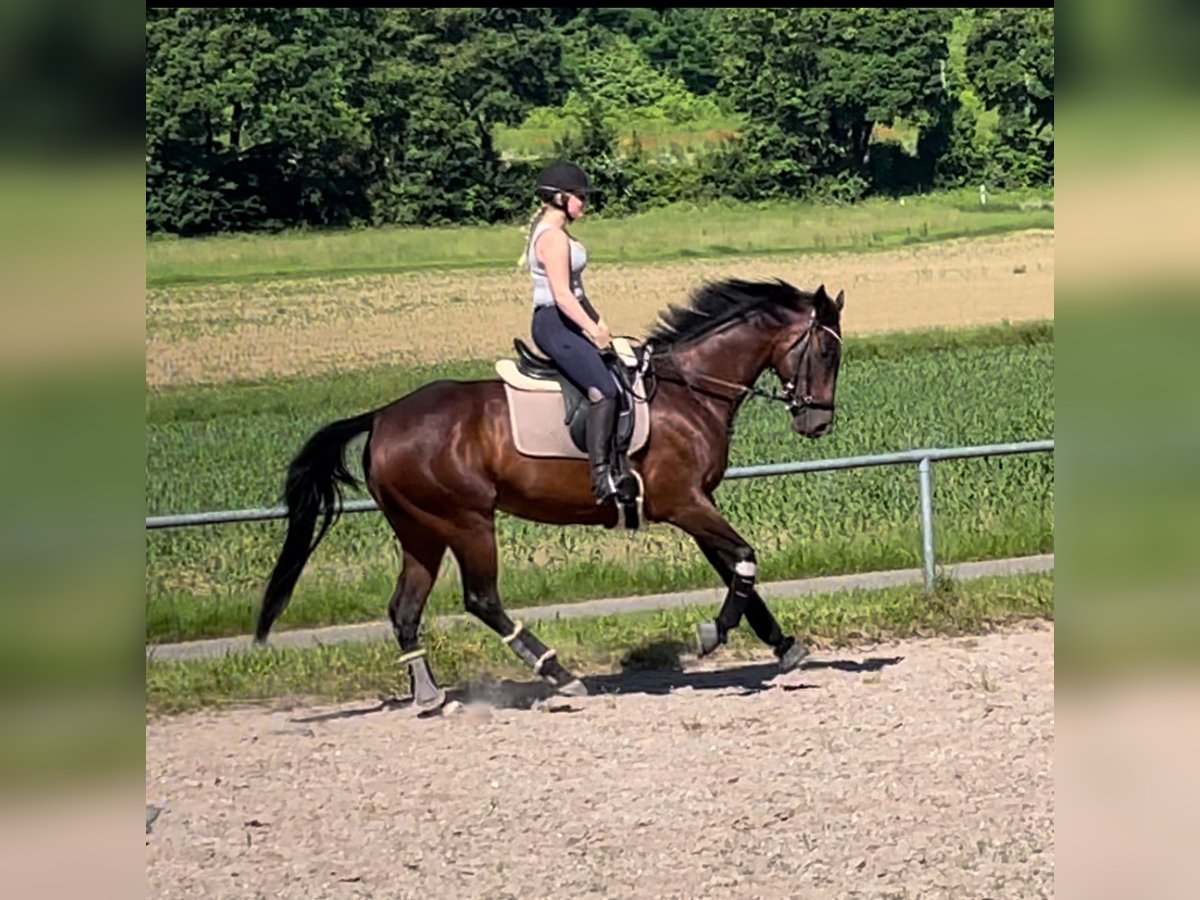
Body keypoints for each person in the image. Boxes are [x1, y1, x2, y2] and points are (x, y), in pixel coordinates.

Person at [520, 160, 620, 505]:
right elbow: (562, 295)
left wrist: (599, 320)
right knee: (603, 389)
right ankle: (601, 475)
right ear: (561, 198)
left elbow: (577, 290)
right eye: (580, 197)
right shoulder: (553, 239)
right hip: (555, 322)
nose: (585, 203)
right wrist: (591, 329)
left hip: (569, 316)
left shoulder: (560, 234)